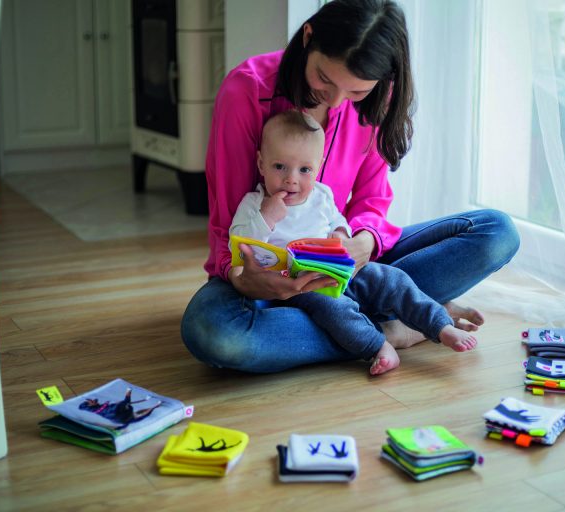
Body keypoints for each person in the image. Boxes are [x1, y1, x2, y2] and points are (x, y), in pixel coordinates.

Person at [181, 0, 520, 373]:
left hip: (349, 268)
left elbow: (372, 200)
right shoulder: (247, 91)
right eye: (325, 79)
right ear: (308, 37)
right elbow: (227, 223)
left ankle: (370, 321)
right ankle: (395, 327)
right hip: (267, 281)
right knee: (213, 332)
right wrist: (245, 280)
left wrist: (362, 243)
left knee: (496, 232)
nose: (337, 100)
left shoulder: (378, 96)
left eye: (356, 92)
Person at [231, 109, 477, 376]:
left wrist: (341, 234)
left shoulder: (321, 195)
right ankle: (377, 345)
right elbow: (242, 245)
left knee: (392, 279)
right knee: (336, 309)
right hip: (301, 287)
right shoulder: (254, 204)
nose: (292, 179)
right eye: (280, 167)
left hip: (339, 270)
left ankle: (440, 325)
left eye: (304, 169)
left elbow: (338, 219)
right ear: (261, 164)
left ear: (318, 166)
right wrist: (266, 218)